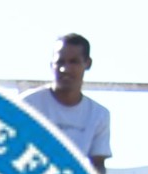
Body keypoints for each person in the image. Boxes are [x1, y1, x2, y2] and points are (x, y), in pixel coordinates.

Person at [30, 32, 110, 165]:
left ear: (88, 63)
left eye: (73, 62)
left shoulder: (99, 114)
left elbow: (98, 166)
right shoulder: (28, 104)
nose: (64, 69)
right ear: (51, 65)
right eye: (60, 62)